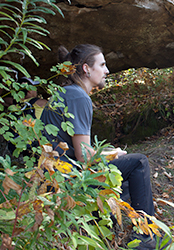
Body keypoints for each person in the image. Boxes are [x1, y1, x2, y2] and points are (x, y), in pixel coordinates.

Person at [40, 44, 160, 250]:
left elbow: (77, 149)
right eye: (102, 65)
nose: (107, 70)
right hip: (67, 182)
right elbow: (84, 156)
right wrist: (113, 154)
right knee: (139, 162)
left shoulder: (67, 92)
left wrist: (111, 153)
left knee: (129, 180)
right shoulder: (78, 96)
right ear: (86, 69)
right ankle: (146, 237)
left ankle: (109, 222)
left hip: (52, 180)